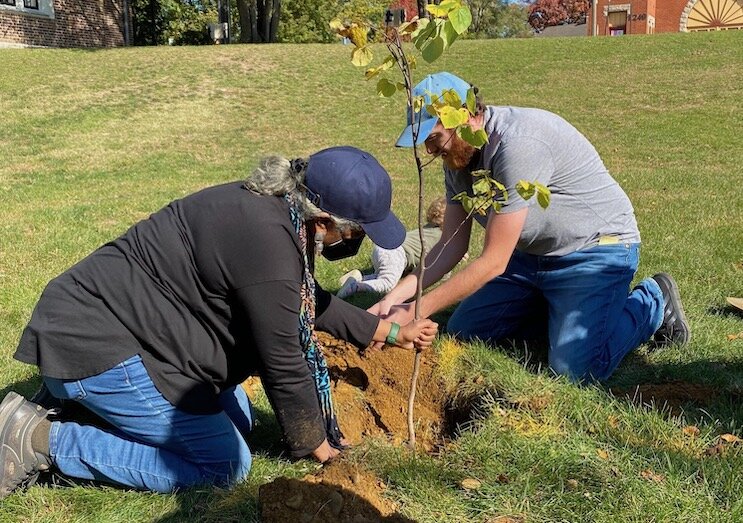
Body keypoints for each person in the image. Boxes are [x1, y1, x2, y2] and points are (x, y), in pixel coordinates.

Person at [0, 146, 438, 499]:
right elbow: (282, 358)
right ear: (324, 220)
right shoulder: (269, 244)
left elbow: (305, 300)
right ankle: (38, 439)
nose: (356, 241)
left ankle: (87, 408)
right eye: (357, 231)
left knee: (241, 423)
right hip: (93, 345)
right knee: (225, 465)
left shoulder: (276, 211)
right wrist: (318, 446)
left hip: (134, 330)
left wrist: (391, 331)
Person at [371, 72, 690, 383]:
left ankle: (653, 301)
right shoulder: (459, 159)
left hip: (596, 252)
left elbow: (493, 262)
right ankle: (557, 308)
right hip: (531, 258)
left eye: (433, 138)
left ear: (463, 117)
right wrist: (394, 299)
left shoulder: (517, 144)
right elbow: (451, 246)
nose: (430, 151)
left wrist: (417, 310)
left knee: (574, 370)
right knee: (466, 330)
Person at [336, 197, 448, 298]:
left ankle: (358, 278)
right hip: (396, 253)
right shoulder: (442, 236)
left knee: (381, 277)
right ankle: (355, 287)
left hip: (384, 246)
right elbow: (442, 264)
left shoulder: (427, 229)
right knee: (388, 285)